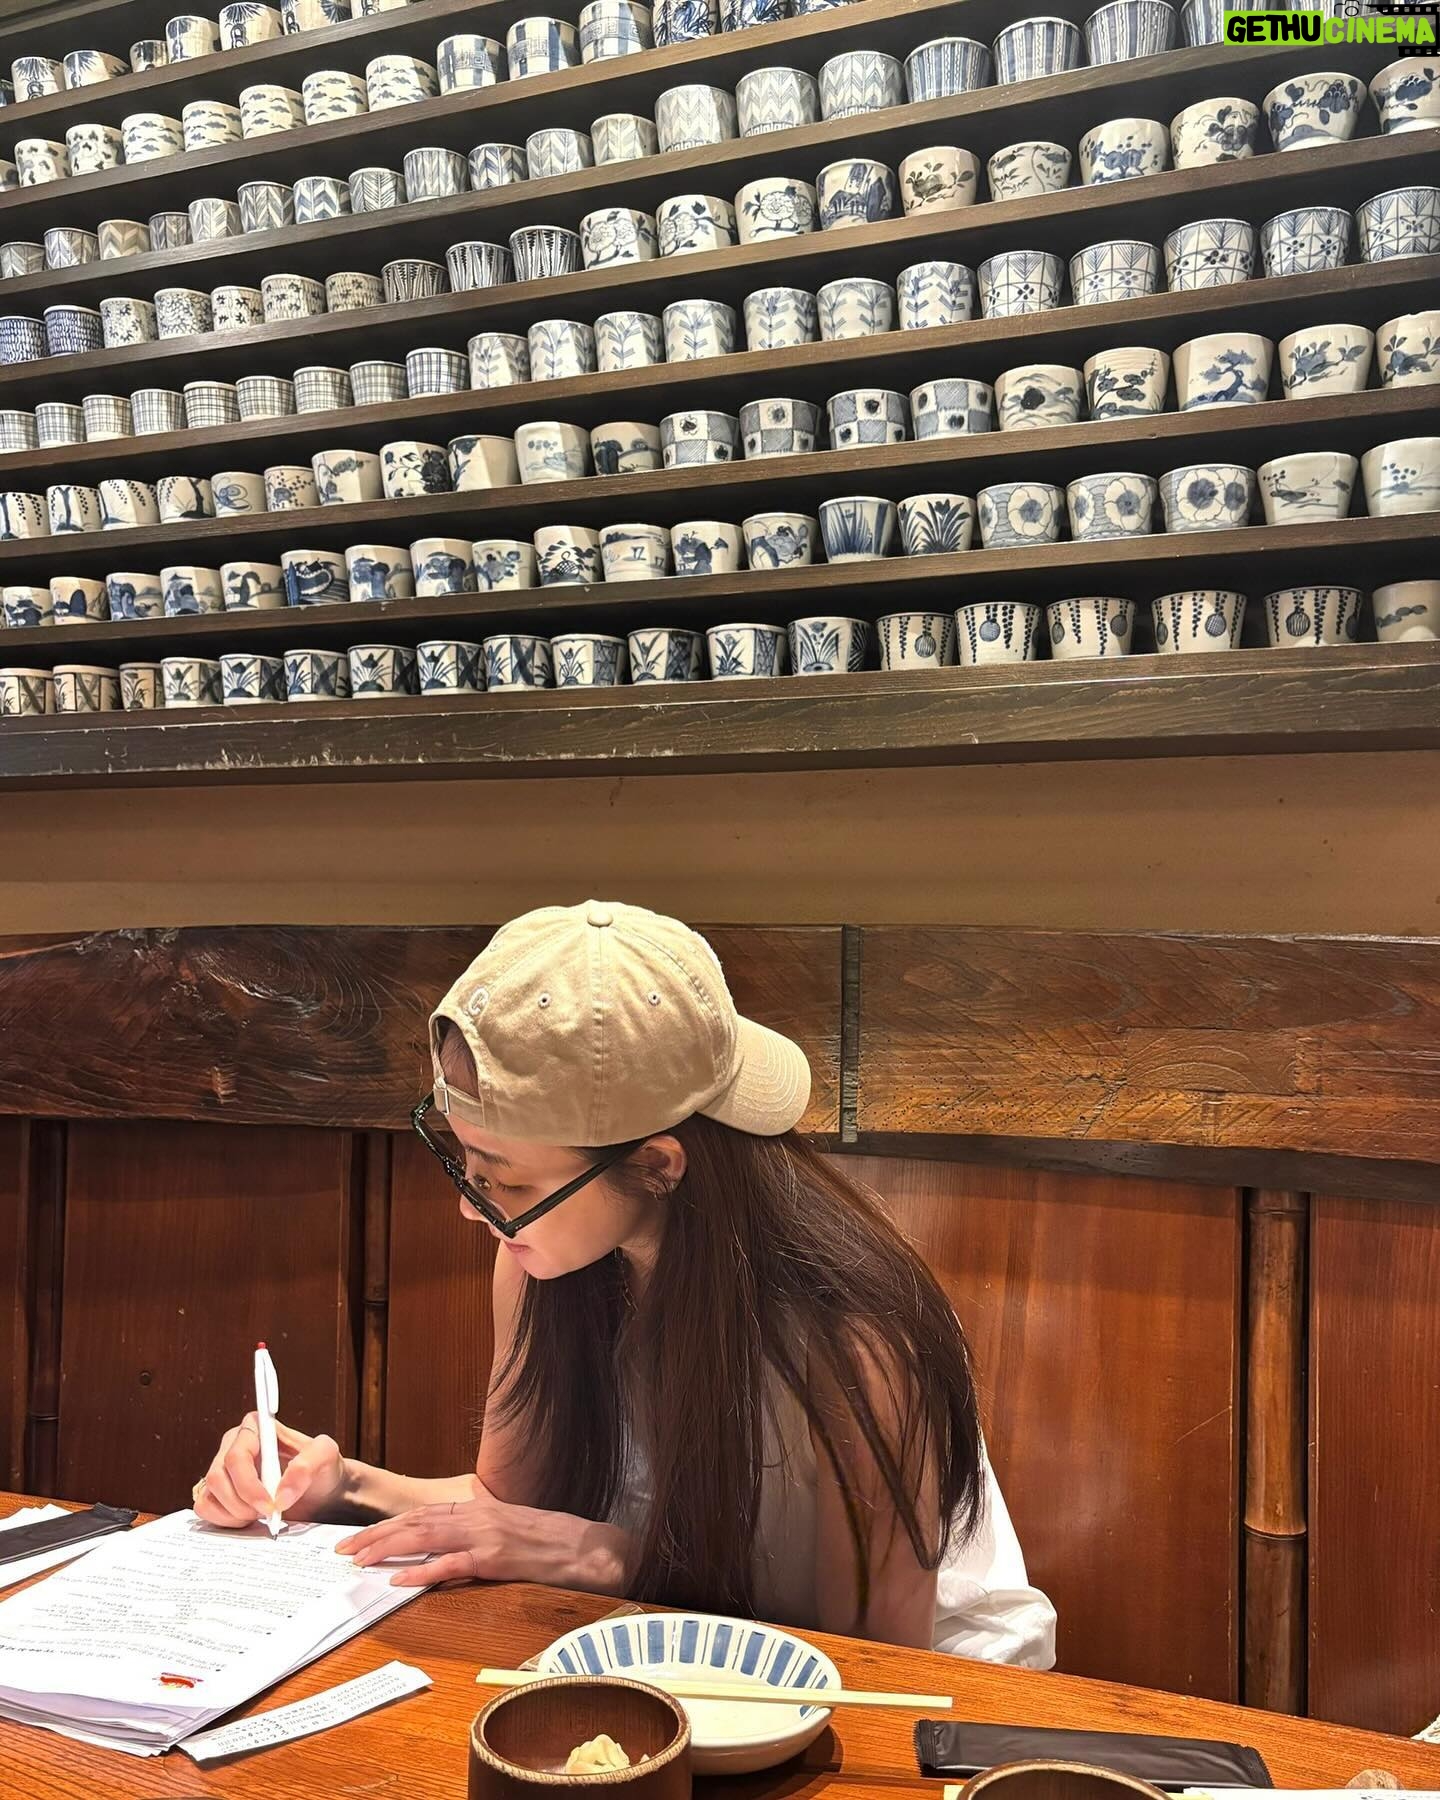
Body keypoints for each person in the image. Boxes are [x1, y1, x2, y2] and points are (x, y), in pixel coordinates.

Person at [194, 901, 1056, 1666]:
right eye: (463, 1160)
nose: (472, 1206)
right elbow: (506, 1510)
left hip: (923, 1716)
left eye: (507, 1178)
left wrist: (605, 1558)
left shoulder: (853, 1343)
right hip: (657, 1655)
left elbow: (871, 1659)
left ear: (656, 1166)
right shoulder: (540, 1258)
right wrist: (338, 1487)